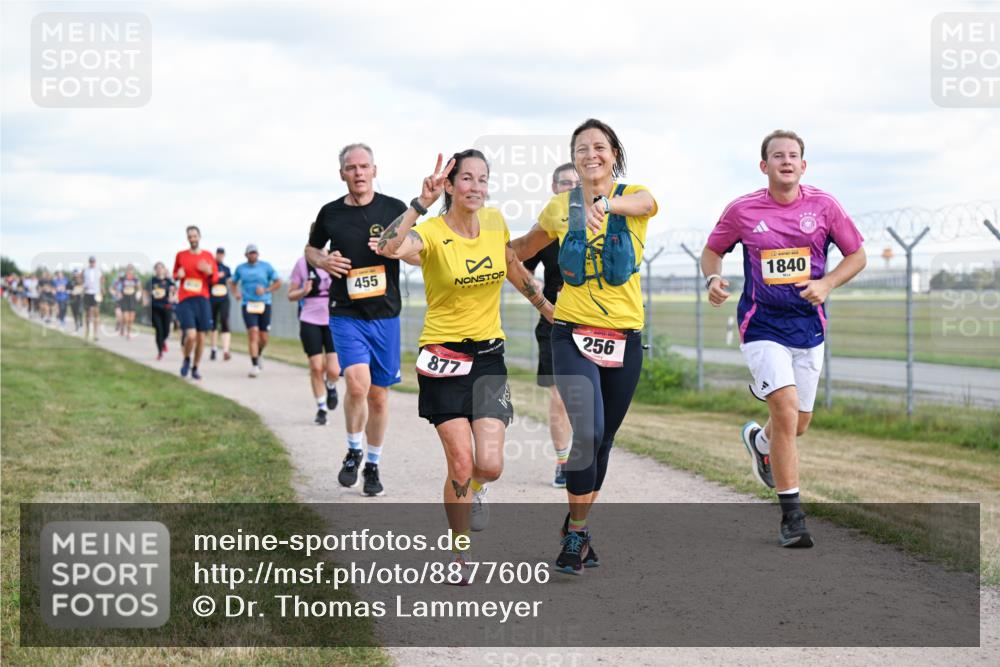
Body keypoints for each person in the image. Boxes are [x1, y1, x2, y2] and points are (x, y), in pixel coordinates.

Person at [377, 150, 554, 581]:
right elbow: (388, 246)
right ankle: (460, 553)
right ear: (450, 186)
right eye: (466, 179)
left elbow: (513, 267)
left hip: (488, 357)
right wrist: (419, 204)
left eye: (482, 179)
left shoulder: (494, 223)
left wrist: (550, 310)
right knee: (459, 462)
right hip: (442, 357)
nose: (475, 187)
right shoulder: (433, 232)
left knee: (489, 465)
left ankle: (477, 491)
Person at [701, 129, 866, 548]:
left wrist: (826, 284)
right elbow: (711, 251)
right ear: (765, 166)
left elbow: (857, 255)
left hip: (808, 327)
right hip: (762, 325)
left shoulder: (825, 207)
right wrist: (714, 278)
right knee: (786, 410)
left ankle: (761, 442)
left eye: (793, 156)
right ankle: (793, 517)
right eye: (778, 156)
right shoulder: (742, 210)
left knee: (797, 425)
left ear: (803, 166)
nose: (786, 161)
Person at [512, 119, 658, 574]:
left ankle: (577, 525)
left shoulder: (636, 197)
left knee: (604, 442)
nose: (590, 154)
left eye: (599, 147)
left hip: (625, 336)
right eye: (581, 148)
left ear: (614, 153)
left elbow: (646, 202)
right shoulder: (560, 206)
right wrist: (539, 300)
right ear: (574, 156)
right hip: (572, 333)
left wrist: (607, 204)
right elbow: (514, 251)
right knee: (588, 432)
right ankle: (575, 537)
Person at [305, 143, 408, 498]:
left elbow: (416, 251)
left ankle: (373, 464)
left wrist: (395, 246)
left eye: (365, 167)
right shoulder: (330, 213)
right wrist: (322, 261)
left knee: (379, 397)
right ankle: (353, 449)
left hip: (385, 315)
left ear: (374, 170)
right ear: (342, 174)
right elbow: (311, 248)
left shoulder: (394, 208)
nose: (359, 173)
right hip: (346, 312)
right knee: (357, 384)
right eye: (352, 168)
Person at [522, 162, 579, 488]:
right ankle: (563, 462)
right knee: (560, 395)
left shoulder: (598, 221)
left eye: (576, 183)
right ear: (554, 187)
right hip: (555, 320)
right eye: (564, 183)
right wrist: (538, 295)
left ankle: (586, 456)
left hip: (593, 321)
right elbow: (517, 263)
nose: (570, 188)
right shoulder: (544, 228)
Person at [289, 255, 341, 424]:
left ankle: (331, 386)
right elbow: (291, 294)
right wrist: (303, 291)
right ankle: (321, 408)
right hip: (309, 319)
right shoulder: (302, 264)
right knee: (316, 367)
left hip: (333, 319)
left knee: (334, 370)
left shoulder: (336, 259)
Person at [173, 226, 218, 380]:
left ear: (199, 237)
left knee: (201, 337)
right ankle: (186, 359)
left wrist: (209, 271)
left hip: (202, 299)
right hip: (185, 299)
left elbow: (215, 279)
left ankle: (196, 367)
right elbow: (175, 274)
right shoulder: (181, 255)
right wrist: (178, 275)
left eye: (195, 236)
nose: (192, 239)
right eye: (190, 236)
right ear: (187, 238)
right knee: (190, 335)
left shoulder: (208, 256)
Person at [231, 244, 281, 378]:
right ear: (246, 255)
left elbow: (278, 282)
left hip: (264, 304)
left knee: (264, 338)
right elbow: (232, 282)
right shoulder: (240, 268)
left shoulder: (266, 267)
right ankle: (254, 365)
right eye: (250, 253)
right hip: (248, 304)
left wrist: (266, 290)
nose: (253, 255)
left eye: (255, 253)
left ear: (258, 254)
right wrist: (236, 293)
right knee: (253, 333)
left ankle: (258, 353)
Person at [209, 247, 233, 361]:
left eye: (222, 254)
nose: (220, 256)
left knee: (224, 321)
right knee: (213, 324)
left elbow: (230, 281)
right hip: (212, 298)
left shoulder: (227, 269)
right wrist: (216, 275)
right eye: (218, 254)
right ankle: (213, 348)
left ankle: (226, 350)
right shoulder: (211, 267)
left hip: (223, 298)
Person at [148, 262, 176, 360]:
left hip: (166, 307)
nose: (159, 270)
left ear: (164, 269)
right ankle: (160, 352)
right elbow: (145, 291)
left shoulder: (169, 281)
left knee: (166, 330)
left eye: (161, 268)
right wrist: (145, 300)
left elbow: (173, 291)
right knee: (159, 330)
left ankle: (163, 341)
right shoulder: (152, 281)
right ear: (155, 270)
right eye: (157, 268)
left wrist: (172, 297)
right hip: (154, 308)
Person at [119, 264, 143, 339]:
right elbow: (117, 287)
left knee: (131, 318)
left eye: (131, 269)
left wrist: (139, 295)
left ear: (133, 270)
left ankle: (128, 333)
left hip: (132, 299)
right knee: (126, 317)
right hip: (124, 299)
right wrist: (118, 293)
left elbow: (140, 288)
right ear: (126, 270)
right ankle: (123, 326)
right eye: (128, 269)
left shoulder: (135, 279)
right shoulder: (122, 278)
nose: (130, 271)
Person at [82, 257, 103, 341]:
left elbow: (102, 281)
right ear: (89, 262)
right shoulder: (85, 271)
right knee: (87, 314)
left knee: (96, 313)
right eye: (91, 262)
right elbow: (81, 279)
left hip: (96, 293)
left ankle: (95, 333)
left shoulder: (99, 271)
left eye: (93, 262)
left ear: (95, 262)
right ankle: (87, 331)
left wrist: (101, 291)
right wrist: (83, 287)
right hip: (87, 293)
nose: (92, 263)